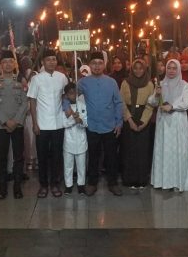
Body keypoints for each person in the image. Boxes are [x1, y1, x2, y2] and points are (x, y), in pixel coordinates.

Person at [78, 52, 124, 196]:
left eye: (100, 63)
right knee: (93, 156)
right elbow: (70, 96)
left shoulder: (111, 82)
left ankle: (113, 183)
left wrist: (119, 122)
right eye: (94, 63)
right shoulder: (83, 83)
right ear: (89, 65)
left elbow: (118, 103)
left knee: (111, 156)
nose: (97, 66)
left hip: (109, 125)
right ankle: (92, 183)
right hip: (91, 125)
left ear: (104, 65)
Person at [27, 49, 68, 198]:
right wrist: (35, 123)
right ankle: (43, 185)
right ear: (43, 62)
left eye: (54, 59)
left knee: (57, 156)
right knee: (42, 156)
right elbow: (32, 100)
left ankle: (55, 184)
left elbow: (65, 97)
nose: (52, 62)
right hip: (42, 125)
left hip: (58, 123)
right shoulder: (37, 79)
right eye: (48, 59)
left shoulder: (62, 77)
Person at [0, 51, 28, 200]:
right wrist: (5, 121)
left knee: (19, 157)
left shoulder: (21, 80)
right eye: (4, 62)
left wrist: (16, 121)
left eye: (11, 61)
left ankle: (17, 187)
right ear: (0, 65)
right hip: (1, 125)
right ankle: (2, 188)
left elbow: (25, 102)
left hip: (17, 125)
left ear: (15, 64)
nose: (8, 64)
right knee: (1, 158)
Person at [149, 59, 188, 192]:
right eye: (169, 68)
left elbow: (186, 103)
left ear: (179, 69)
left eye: (175, 68)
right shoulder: (161, 84)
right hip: (163, 122)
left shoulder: (185, 85)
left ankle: (177, 181)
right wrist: (157, 94)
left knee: (177, 150)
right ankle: (163, 181)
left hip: (178, 121)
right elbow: (152, 102)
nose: (172, 71)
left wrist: (173, 106)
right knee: (164, 150)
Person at [120, 58, 155, 189]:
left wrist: (144, 122)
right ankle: (129, 179)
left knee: (142, 150)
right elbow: (121, 102)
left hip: (143, 117)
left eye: (141, 68)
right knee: (129, 149)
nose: (138, 70)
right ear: (132, 69)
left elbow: (151, 104)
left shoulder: (150, 84)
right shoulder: (125, 83)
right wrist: (129, 119)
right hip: (129, 116)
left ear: (145, 69)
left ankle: (141, 179)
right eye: (135, 68)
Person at [62, 82, 88, 195]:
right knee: (68, 165)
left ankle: (81, 184)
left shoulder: (82, 105)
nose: (73, 95)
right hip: (69, 140)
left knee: (81, 164)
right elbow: (64, 123)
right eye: (70, 93)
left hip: (81, 139)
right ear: (66, 95)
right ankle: (68, 185)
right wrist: (73, 120)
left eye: (74, 93)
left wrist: (81, 121)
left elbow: (86, 122)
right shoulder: (64, 107)